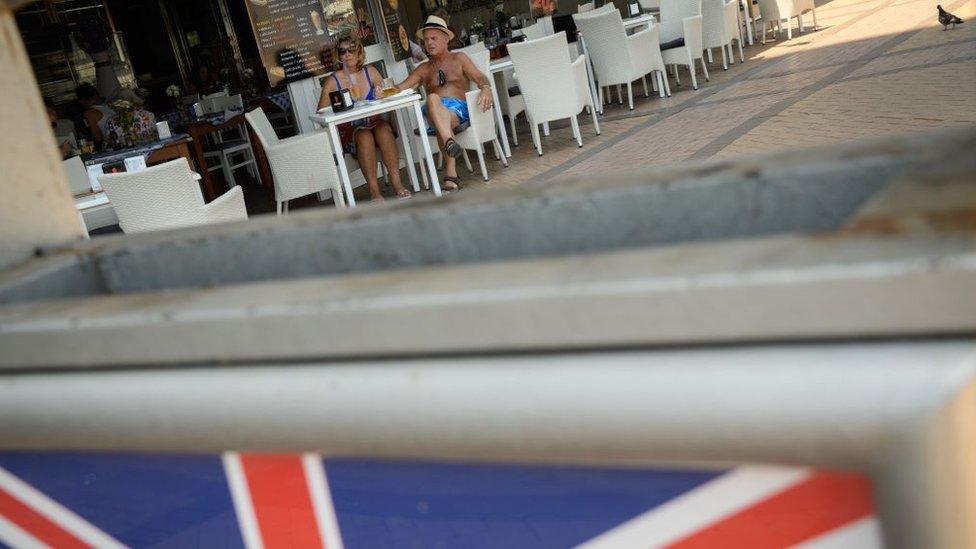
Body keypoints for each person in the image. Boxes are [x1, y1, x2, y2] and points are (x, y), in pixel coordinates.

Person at [395, 16, 493, 191]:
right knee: (432, 99)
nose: (429, 43)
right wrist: (383, 89)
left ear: (446, 39)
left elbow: (479, 77)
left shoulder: (459, 58)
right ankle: (450, 151)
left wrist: (485, 88)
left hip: (457, 111)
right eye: (425, 40)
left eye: (434, 38)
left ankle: (451, 168)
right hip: (434, 112)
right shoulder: (423, 69)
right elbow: (400, 87)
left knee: (439, 114)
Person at [317, 34, 412, 201]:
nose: (347, 54)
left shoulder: (371, 72)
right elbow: (320, 112)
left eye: (351, 50)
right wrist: (337, 105)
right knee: (364, 136)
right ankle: (374, 191)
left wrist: (381, 94)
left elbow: (389, 93)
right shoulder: (333, 81)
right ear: (338, 56)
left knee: (383, 130)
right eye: (342, 51)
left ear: (359, 52)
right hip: (350, 129)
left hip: (375, 122)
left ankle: (397, 184)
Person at [75, 82, 116, 149]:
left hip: (112, 144)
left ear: (82, 100)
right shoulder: (109, 105)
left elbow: (98, 138)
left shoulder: (89, 113)